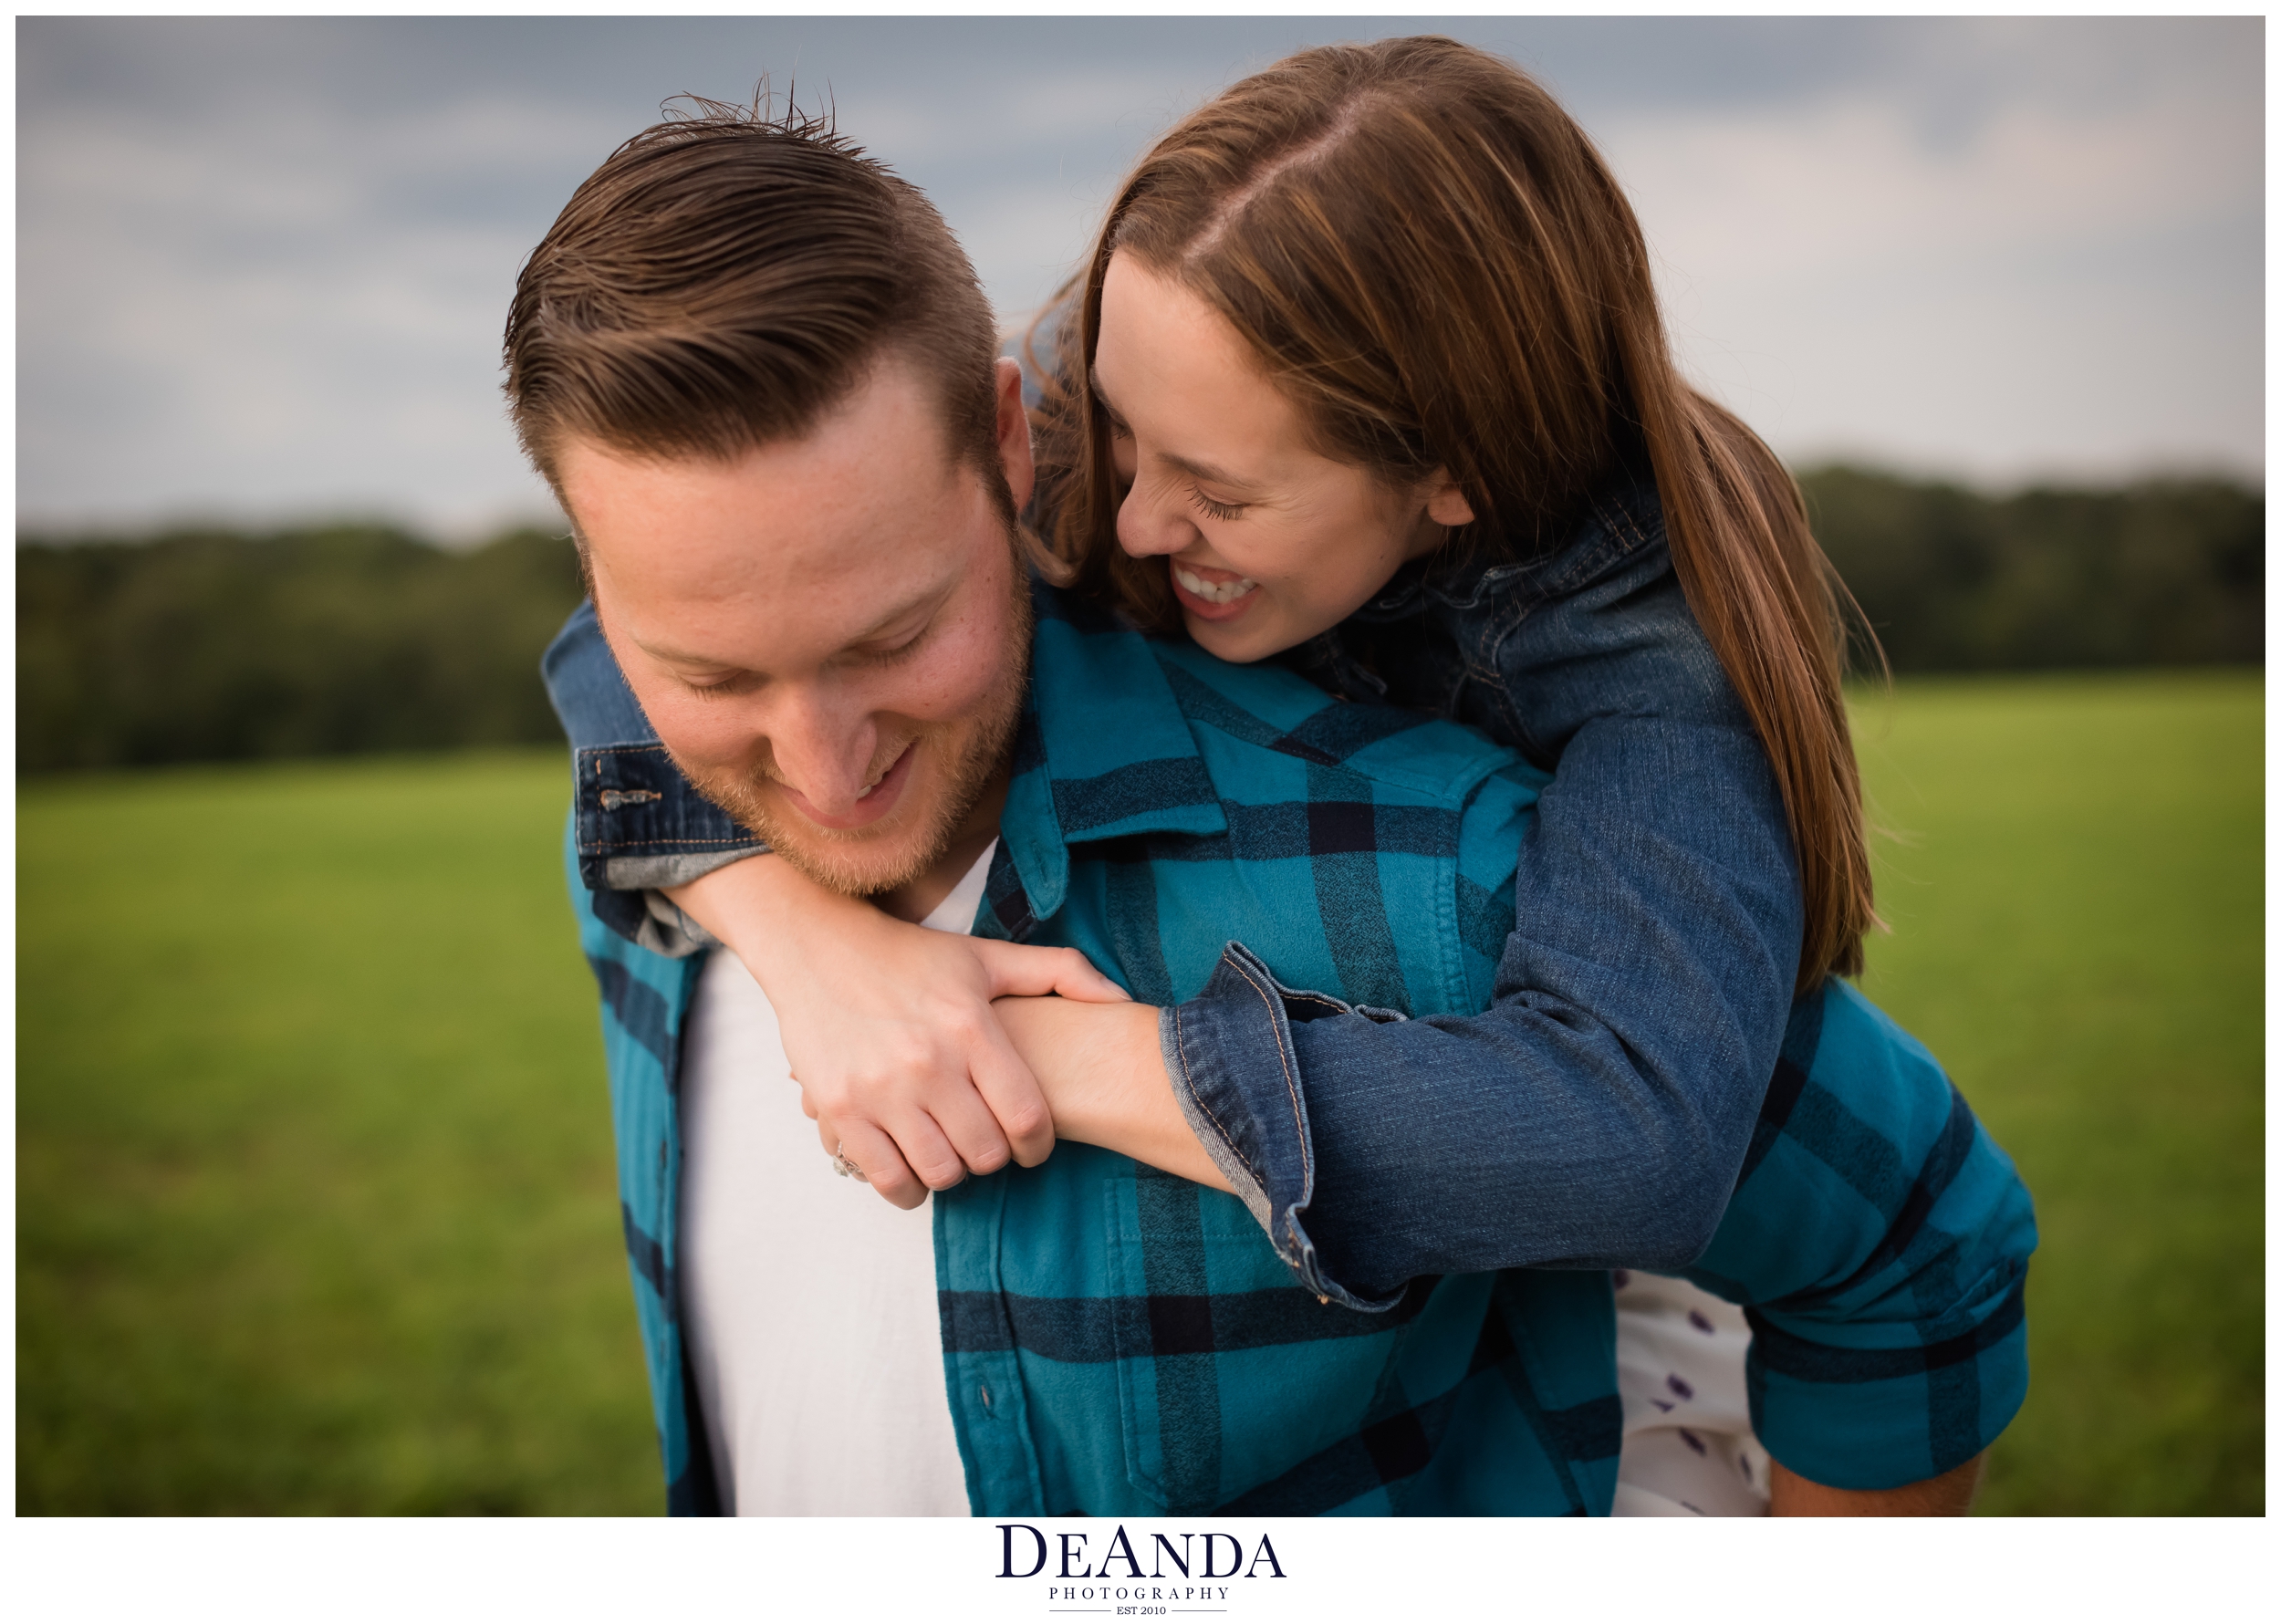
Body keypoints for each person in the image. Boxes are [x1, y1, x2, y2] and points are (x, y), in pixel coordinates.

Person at [512, 86, 2034, 1516]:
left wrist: (1061, 1054)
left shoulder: (1547, 787)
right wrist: (803, 941)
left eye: (894, 638)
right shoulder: (685, 816)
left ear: (1452, 476)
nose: (1128, 521)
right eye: (710, 673)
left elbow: (1727, 1165)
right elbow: (605, 654)